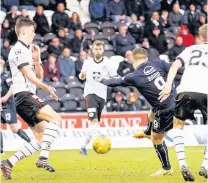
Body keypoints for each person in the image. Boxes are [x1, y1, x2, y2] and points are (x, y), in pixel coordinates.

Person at [99, 48, 184, 177]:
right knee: (150, 112)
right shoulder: (159, 63)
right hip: (177, 101)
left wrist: (101, 80)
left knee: (157, 139)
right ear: (146, 57)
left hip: (165, 110)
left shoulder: (134, 76)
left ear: (133, 59)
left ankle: (166, 168)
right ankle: (147, 132)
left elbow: (115, 82)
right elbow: (178, 69)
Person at [0, 17, 62, 180]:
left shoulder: (26, 50)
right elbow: (28, 75)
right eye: (33, 32)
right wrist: (47, 88)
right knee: (56, 119)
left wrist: (37, 59)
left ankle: (8, 162)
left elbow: (38, 75)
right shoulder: (19, 49)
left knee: (41, 137)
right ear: (24, 31)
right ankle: (43, 158)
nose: (34, 35)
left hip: (24, 96)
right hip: (24, 95)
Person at [159, 24, 208, 181]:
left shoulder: (190, 49)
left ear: (199, 38)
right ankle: (205, 165)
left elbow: (174, 66)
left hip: (185, 90)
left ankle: (183, 165)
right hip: (206, 91)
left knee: (178, 126)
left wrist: (168, 86)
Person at [79, 40, 117, 156]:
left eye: (100, 49)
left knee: (95, 124)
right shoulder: (87, 62)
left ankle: (83, 146)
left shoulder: (108, 63)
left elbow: (114, 77)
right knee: (94, 121)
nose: (98, 51)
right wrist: (82, 76)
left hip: (102, 95)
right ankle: (99, 144)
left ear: (103, 50)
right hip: (90, 93)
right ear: (92, 50)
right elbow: (81, 76)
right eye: (96, 49)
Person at [0, 59, 31, 153]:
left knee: (14, 128)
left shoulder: (5, 75)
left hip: (8, 104)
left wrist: (5, 97)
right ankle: (1, 149)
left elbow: (13, 86)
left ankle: (32, 143)